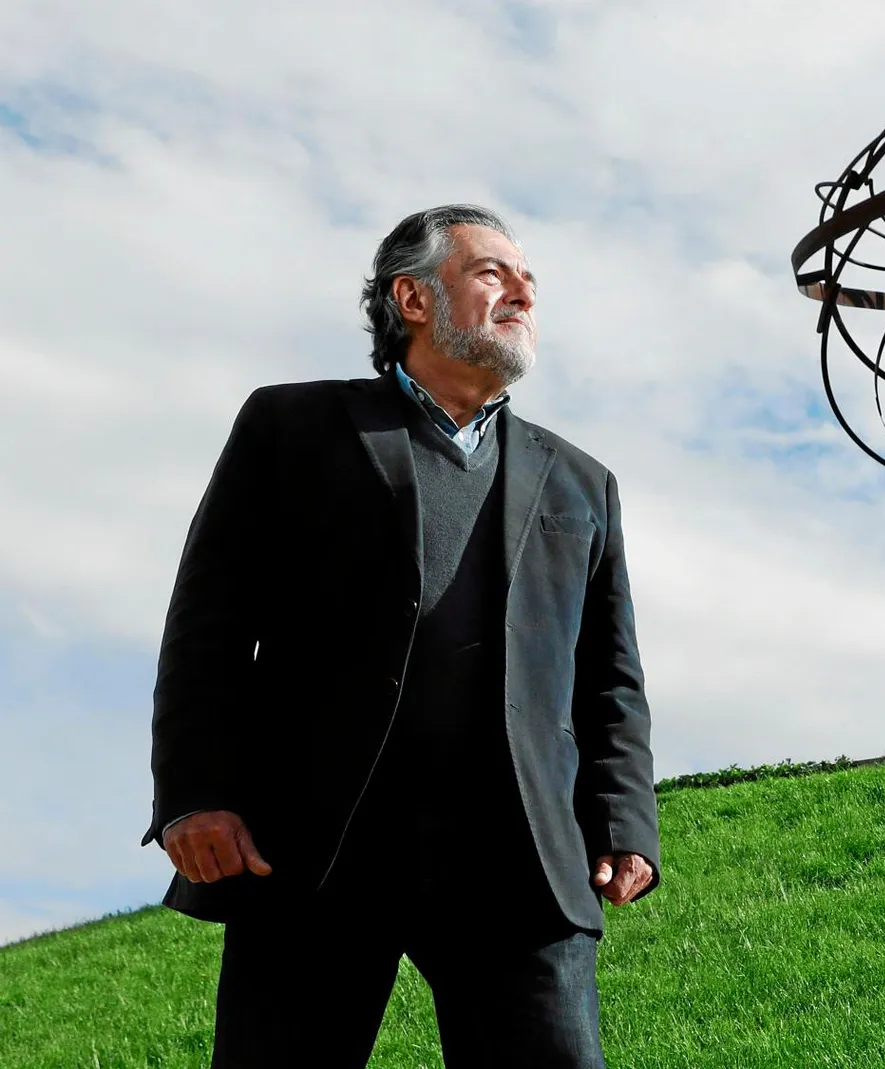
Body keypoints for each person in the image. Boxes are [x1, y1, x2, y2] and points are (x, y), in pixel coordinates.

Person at [144, 204, 659, 1067]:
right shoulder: (290, 428)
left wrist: (621, 818)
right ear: (413, 299)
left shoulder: (581, 480)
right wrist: (196, 792)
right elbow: (210, 622)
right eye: (492, 271)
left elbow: (609, 674)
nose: (523, 290)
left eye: (528, 277)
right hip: (317, 845)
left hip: (518, 855)